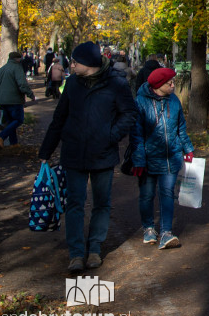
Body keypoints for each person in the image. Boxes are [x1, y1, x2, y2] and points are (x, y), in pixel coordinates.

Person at [38, 41, 137, 272]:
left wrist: (111, 135)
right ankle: (75, 253)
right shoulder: (72, 83)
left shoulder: (116, 84)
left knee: (102, 203)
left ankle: (94, 249)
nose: (70, 65)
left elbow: (129, 113)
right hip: (74, 153)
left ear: (89, 64)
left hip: (103, 153)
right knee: (74, 203)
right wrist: (45, 152)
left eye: (75, 62)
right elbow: (59, 119)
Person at [130, 67, 194, 250]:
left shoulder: (174, 101)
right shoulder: (140, 103)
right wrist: (139, 160)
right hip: (149, 158)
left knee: (167, 193)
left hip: (171, 156)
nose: (173, 85)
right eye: (169, 83)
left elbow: (181, 126)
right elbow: (136, 134)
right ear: (158, 86)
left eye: (173, 82)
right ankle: (148, 228)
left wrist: (188, 148)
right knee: (147, 195)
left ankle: (166, 232)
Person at [0, 51, 36, 147]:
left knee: (10, 122)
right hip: (14, 99)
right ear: (17, 59)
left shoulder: (1, 70)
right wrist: (30, 94)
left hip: (2, 100)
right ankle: (1, 136)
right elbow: (22, 84)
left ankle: (14, 143)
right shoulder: (17, 68)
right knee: (19, 119)